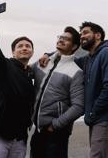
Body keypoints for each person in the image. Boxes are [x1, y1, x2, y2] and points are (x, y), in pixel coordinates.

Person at [40, 22, 108, 158]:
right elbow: (67, 59)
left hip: (107, 116)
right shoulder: (88, 59)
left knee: (97, 155)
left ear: (97, 35)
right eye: (80, 35)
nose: (82, 37)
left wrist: (93, 111)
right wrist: (47, 55)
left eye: (85, 32)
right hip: (98, 117)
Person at [0, 7, 35, 158]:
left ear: (32, 52)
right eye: (20, 46)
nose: (24, 48)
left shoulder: (30, 74)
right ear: (13, 52)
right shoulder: (4, 66)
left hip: (20, 138)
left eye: (28, 46)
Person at [30, 26, 84, 158]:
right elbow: (23, 73)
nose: (61, 40)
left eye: (66, 39)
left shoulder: (76, 72)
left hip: (56, 134)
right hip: (38, 130)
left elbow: (79, 106)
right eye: (60, 37)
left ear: (74, 46)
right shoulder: (43, 62)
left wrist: (55, 125)